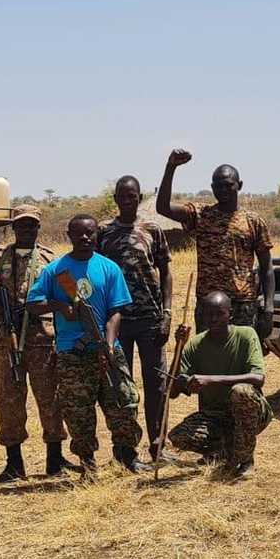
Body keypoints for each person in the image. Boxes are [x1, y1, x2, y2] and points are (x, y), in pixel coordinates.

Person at [26, 214, 147, 477]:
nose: (85, 238)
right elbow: (33, 304)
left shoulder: (109, 268)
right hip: (73, 353)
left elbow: (117, 311)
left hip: (106, 348)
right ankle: (88, 463)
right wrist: (59, 306)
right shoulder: (57, 271)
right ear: (69, 235)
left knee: (123, 403)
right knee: (78, 411)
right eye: (79, 233)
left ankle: (127, 456)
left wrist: (110, 344)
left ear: (96, 235)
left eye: (90, 233)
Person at [0, 204, 79, 481]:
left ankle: (55, 461)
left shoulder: (50, 259)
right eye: (21, 225)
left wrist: (59, 304)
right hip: (6, 339)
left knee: (50, 398)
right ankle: (14, 463)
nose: (26, 230)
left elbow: (71, 292)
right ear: (13, 227)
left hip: (42, 338)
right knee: (8, 399)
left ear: (38, 228)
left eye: (31, 225)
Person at [155, 150, 275, 335]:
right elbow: (163, 208)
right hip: (208, 306)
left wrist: (268, 308)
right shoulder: (202, 215)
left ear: (239, 185)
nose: (223, 190)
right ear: (212, 188)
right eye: (218, 186)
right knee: (208, 361)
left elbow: (267, 267)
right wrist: (171, 167)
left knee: (240, 361)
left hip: (242, 305)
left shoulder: (254, 222)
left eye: (228, 185)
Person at [97, 176, 173, 463]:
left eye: (132, 196)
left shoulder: (152, 229)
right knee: (121, 388)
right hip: (117, 321)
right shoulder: (104, 233)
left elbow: (166, 272)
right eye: (122, 196)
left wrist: (166, 313)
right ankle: (125, 450)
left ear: (139, 197)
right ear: (115, 198)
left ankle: (158, 446)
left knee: (157, 384)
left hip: (150, 318)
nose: (127, 200)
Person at [167, 291, 273, 479]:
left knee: (241, 391)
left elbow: (258, 378)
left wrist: (210, 380)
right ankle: (225, 450)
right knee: (179, 436)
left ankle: (245, 460)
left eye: (219, 314)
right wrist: (179, 348)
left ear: (230, 314)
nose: (213, 319)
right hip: (214, 417)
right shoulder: (196, 344)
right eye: (208, 314)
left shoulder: (246, 335)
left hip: (250, 413)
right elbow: (172, 392)